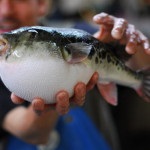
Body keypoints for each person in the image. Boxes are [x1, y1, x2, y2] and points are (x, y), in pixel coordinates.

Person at [0, 0, 149, 149]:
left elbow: (139, 61)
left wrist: (130, 40)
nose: (6, 11)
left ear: (41, 4)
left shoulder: (81, 35)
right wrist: (51, 103)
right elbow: (33, 133)